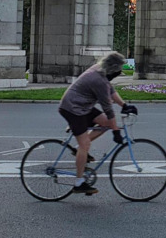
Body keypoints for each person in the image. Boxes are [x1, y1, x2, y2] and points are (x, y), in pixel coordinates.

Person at [58, 52, 137, 195]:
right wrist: (116, 132)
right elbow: (108, 109)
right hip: (72, 109)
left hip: (82, 106)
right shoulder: (98, 81)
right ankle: (79, 183)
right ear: (113, 69)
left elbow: (111, 90)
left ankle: (78, 151)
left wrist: (124, 105)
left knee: (106, 123)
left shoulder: (101, 70)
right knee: (85, 144)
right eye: (119, 69)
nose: (120, 72)